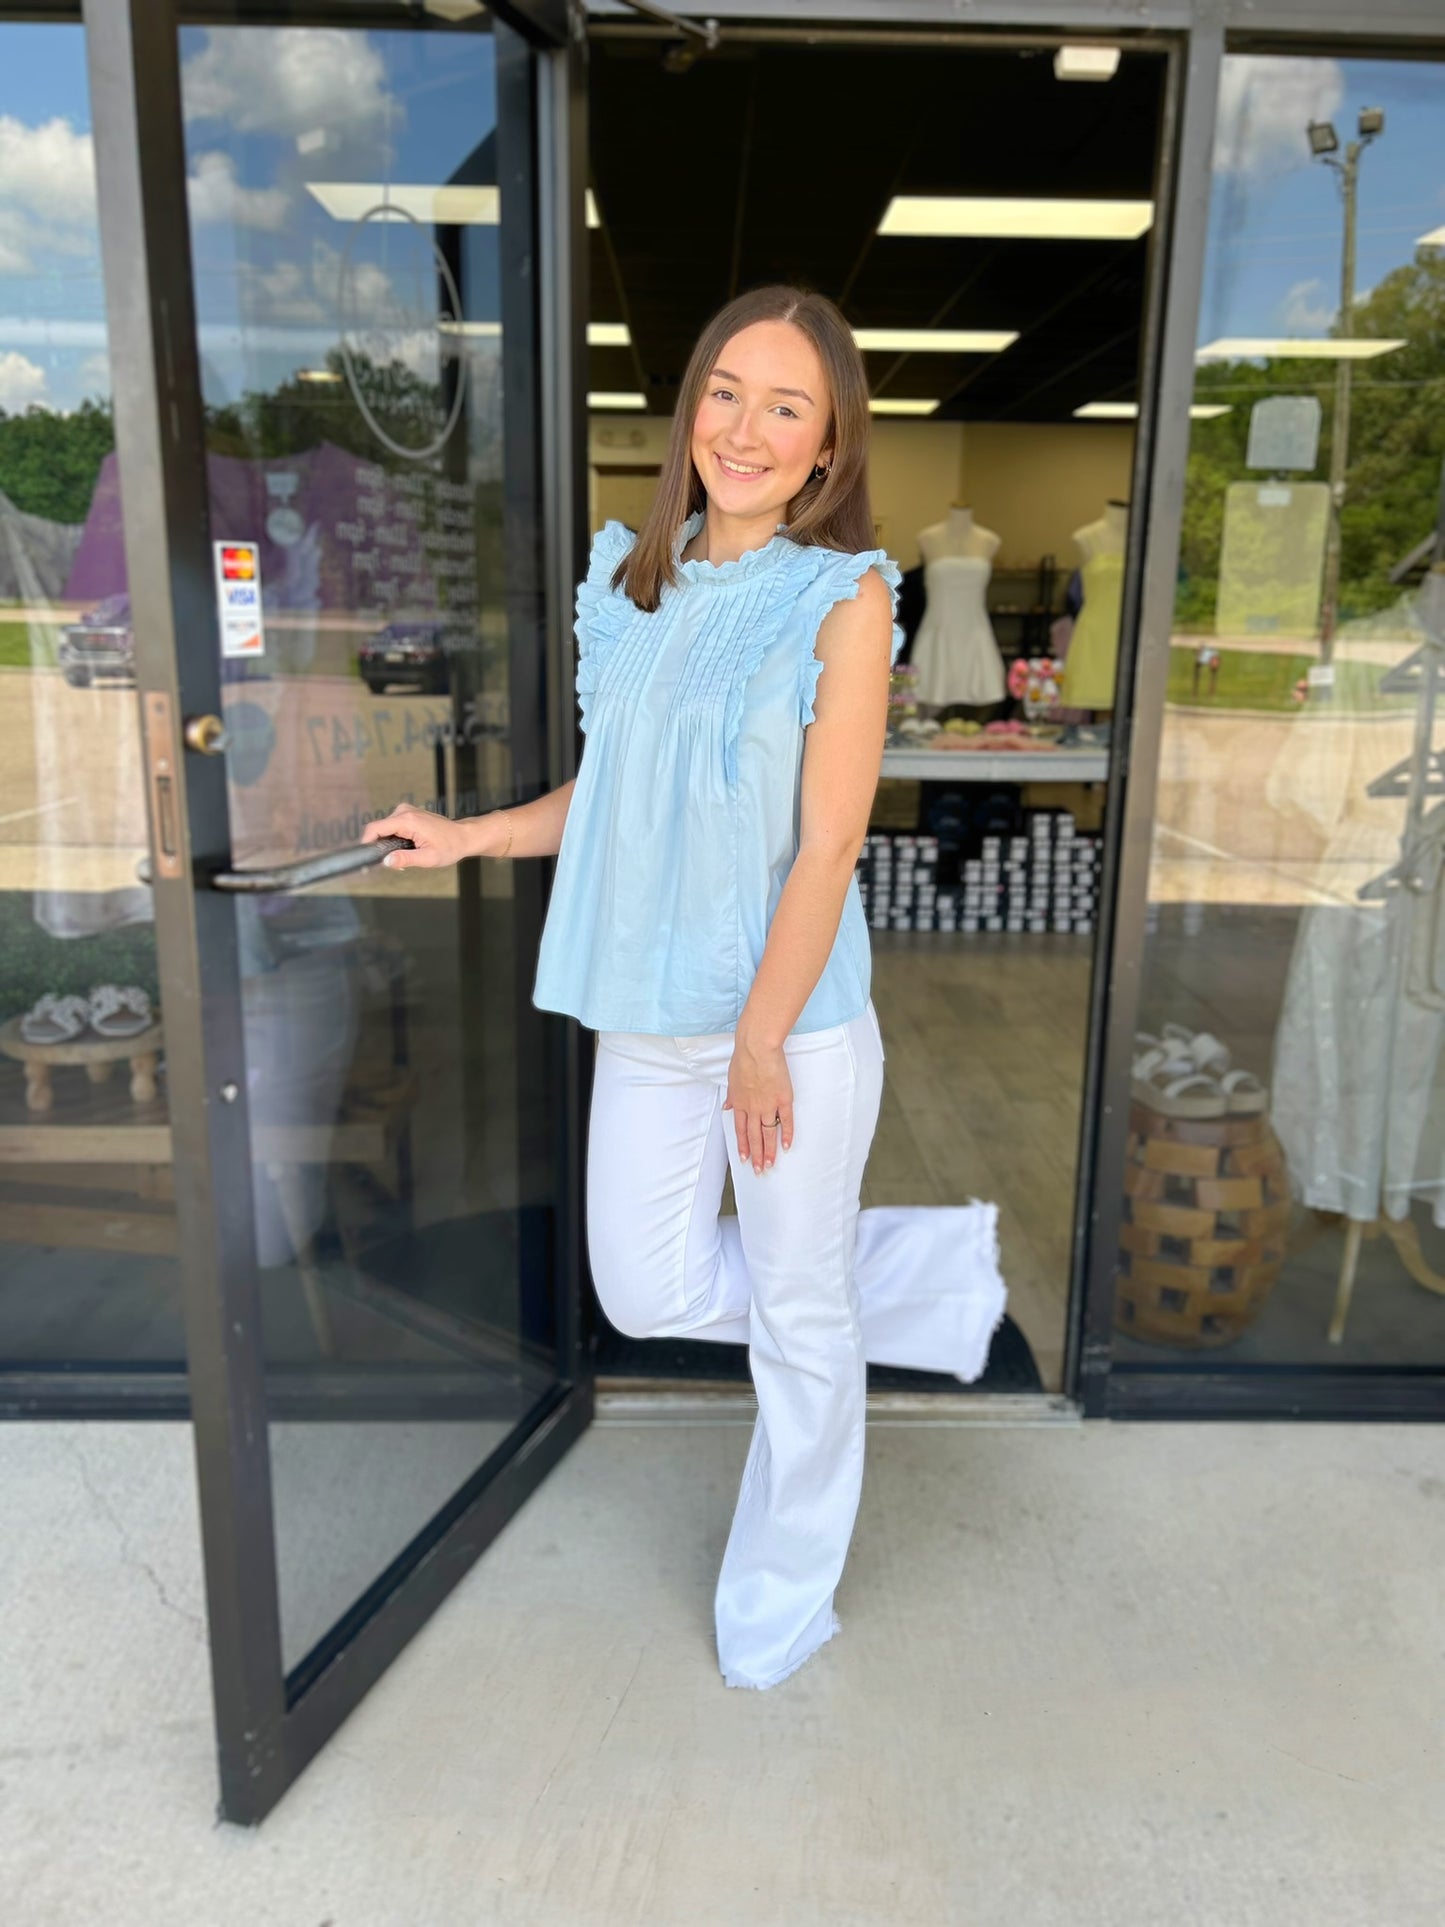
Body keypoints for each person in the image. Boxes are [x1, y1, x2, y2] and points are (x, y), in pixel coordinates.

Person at [363, 285, 1005, 1692]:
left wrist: (763, 1041)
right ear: (688, 409)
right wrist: (467, 834)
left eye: (787, 406)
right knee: (646, 1290)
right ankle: (897, 1284)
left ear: (829, 446)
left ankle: (781, 1599)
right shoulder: (626, 585)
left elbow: (830, 838)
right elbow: (614, 795)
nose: (746, 427)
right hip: (648, 1012)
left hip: (790, 1027)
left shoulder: (843, 596)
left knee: (794, 1325)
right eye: (726, 390)